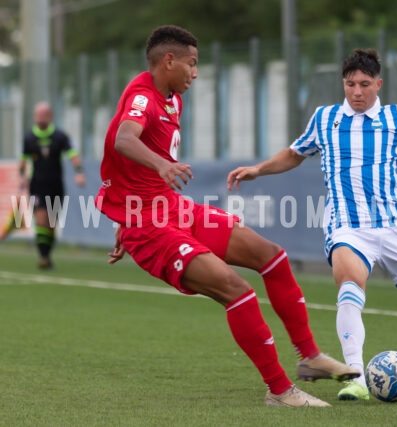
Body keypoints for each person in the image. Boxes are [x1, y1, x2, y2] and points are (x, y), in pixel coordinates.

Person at [96, 25, 359, 408]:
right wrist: (157, 174)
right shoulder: (142, 96)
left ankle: (311, 357)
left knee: (271, 256)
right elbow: (124, 138)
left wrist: (126, 208)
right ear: (169, 61)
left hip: (170, 209)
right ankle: (280, 391)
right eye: (192, 63)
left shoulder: (171, 97)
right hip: (150, 227)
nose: (196, 73)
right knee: (236, 290)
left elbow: (126, 168)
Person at [227, 48, 397, 401]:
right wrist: (258, 169)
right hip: (348, 226)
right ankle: (357, 376)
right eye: (350, 84)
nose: (356, 92)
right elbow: (295, 153)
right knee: (350, 287)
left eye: (364, 84)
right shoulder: (325, 119)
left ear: (378, 84)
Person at [9, 102, 86, 269]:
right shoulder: (29, 138)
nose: (40, 118)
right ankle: (43, 256)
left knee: (51, 223)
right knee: (41, 219)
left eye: (44, 115)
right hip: (37, 185)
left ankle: (47, 255)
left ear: (50, 116)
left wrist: (79, 172)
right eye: (38, 115)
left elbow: (73, 155)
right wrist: (21, 177)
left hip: (55, 186)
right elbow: (23, 160)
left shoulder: (60, 136)